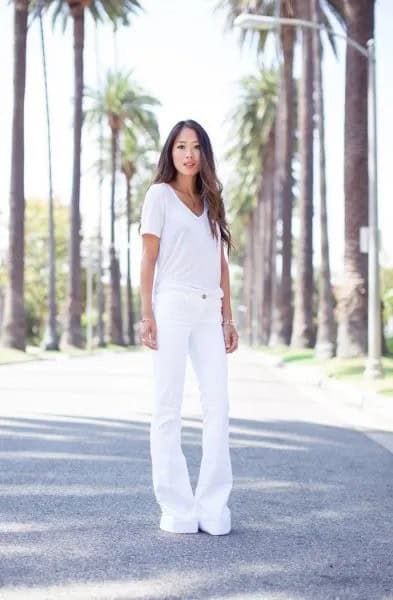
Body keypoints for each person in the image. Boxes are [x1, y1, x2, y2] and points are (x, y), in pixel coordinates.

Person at [139, 119, 239, 536]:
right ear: (171, 152)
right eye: (181, 147)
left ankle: (213, 508)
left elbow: (221, 265)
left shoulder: (212, 199)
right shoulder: (159, 195)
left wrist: (228, 317)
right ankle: (178, 508)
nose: (189, 154)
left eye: (196, 147)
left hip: (208, 309)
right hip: (173, 306)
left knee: (218, 407)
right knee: (168, 408)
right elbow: (148, 260)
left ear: (204, 153)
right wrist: (147, 313)